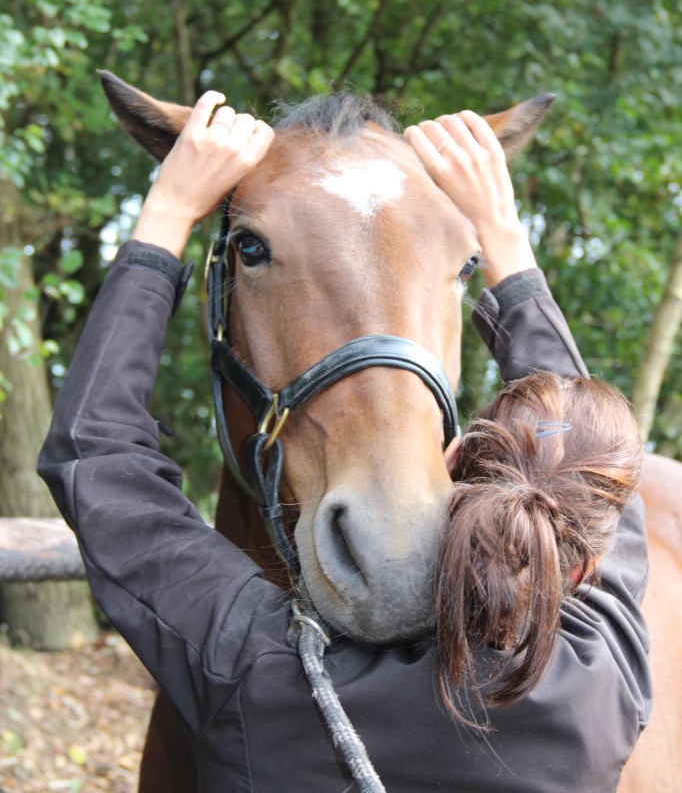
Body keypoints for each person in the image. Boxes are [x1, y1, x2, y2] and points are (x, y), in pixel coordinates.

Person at [38, 92, 651, 793]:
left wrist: (167, 216)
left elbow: (96, 452)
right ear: (465, 458)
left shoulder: (245, 674)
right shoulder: (600, 677)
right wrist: (504, 245)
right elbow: (601, 492)